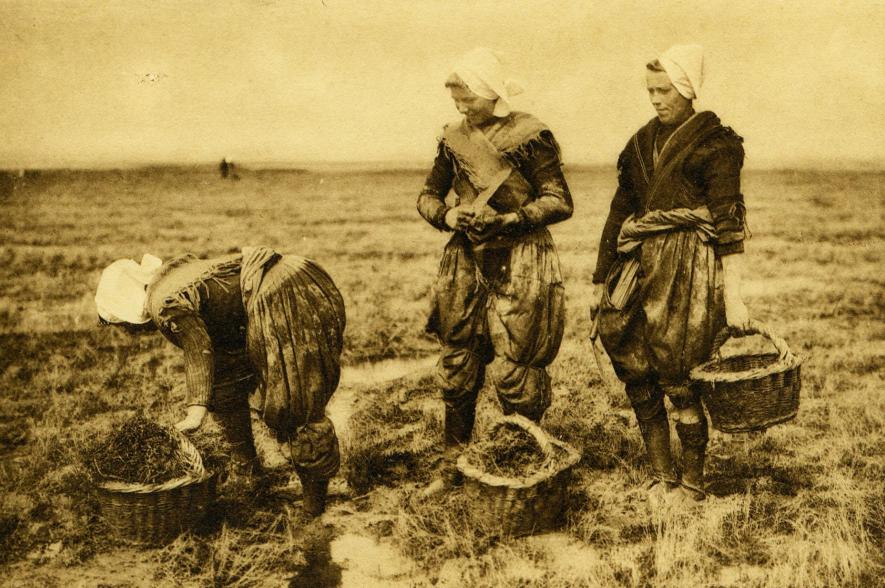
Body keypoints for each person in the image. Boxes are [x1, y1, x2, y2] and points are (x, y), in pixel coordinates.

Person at [590, 44, 751, 505]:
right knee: (634, 362)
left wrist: (733, 295)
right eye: (650, 90)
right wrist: (602, 278)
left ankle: (693, 484)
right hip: (638, 260)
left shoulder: (715, 144)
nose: (656, 99)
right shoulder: (640, 144)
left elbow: (727, 223)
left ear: (687, 88)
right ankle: (662, 475)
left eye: (664, 90)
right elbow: (621, 208)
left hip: (686, 268)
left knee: (678, 370)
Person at [417, 47, 573, 492]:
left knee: (518, 366)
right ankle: (454, 464)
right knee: (459, 360)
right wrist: (449, 217)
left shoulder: (530, 134)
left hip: (522, 258)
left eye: (467, 98)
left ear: (489, 92)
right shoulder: (452, 138)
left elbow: (558, 199)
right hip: (466, 258)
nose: (460, 106)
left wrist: (508, 219)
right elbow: (428, 195)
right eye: (456, 98)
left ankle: (520, 462)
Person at [94, 247, 346, 517]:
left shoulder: (163, 303)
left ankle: (313, 511)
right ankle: (250, 473)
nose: (130, 331)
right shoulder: (173, 275)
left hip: (283, 296)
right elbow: (219, 345)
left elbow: (197, 348)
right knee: (225, 384)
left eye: (122, 325)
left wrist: (195, 411)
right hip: (299, 273)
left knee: (296, 404)